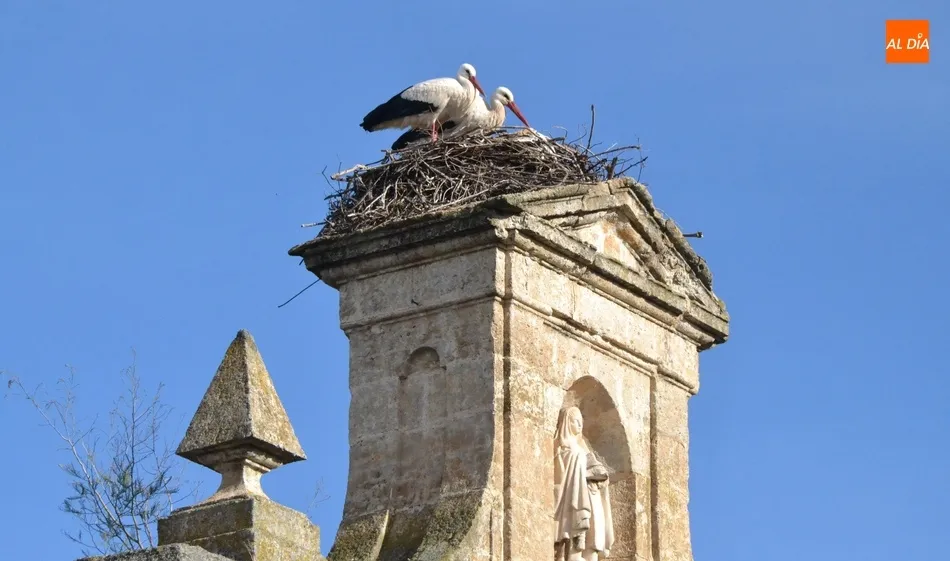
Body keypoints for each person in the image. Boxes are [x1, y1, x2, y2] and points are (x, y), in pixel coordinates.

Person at [553, 406, 615, 561]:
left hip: (589, 494)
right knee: (576, 531)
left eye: (581, 422)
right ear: (567, 422)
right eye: (575, 421)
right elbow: (562, 472)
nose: (580, 426)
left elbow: (596, 468)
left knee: (594, 536)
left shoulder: (582, 449)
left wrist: (596, 474)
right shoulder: (564, 446)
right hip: (574, 495)